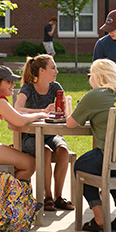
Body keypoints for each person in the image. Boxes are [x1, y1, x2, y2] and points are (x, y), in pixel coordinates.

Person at [66, 58, 116, 232]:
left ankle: (100, 218)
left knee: (82, 167)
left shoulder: (95, 95)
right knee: (113, 166)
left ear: (97, 76)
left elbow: (70, 123)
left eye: (90, 75)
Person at [14, 54, 74, 211]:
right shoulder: (28, 87)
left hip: (51, 134)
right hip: (29, 136)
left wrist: (67, 104)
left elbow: (66, 114)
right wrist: (43, 111)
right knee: (45, 152)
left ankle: (58, 197)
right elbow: (17, 109)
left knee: (63, 151)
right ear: (41, 70)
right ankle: (47, 197)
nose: (56, 71)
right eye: (53, 68)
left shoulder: (55, 87)